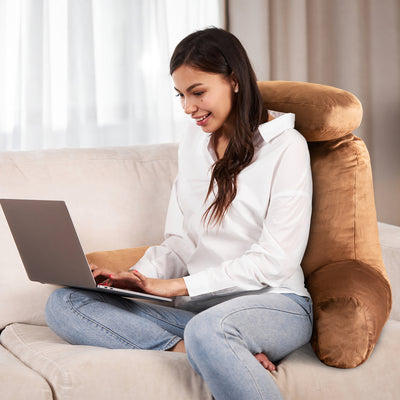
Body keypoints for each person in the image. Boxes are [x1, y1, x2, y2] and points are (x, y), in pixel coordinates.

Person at [45, 27, 313, 400]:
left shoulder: (286, 148)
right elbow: (181, 242)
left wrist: (177, 287)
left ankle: (212, 343)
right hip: (203, 310)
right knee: (65, 303)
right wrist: (137, 277)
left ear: (234, 81)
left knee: (207, 329)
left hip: (274, 302)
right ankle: (210, 351)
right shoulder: (193, 142)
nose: (188, 108)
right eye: (181, 95)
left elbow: (277, 261)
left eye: (198, 92)